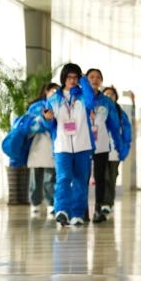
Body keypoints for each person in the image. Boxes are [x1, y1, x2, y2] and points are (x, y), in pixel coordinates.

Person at [46, 63, 95, 227]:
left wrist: (84, 81)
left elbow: (91, 102)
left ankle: (77, 214)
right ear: (63, 78)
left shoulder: (83, 95)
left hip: (83, 145)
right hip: (62, 147)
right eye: (69, 77)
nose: (72, 81)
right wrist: (49, 119)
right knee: (63, 178)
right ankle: (61, 210)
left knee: (81, 180)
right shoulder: (54, 99)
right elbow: (49, 125)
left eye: (76, 77)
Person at [1, 82, 59, 215]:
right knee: (36, 176)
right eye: (53, 91)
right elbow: (30, 125)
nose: (55, 94)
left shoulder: (60, 106)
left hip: (53, 145)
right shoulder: (37, 107)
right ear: (46, 92)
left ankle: (51, 203)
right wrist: (43, 121)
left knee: (50, 176)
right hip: (37, 145)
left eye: (57, 91)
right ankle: (35, 202)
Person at [84, 68, 122, 223]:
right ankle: (83, 210)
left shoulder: (107, 102)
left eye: (98, 77)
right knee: (83, 178)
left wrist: (120, 144)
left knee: (100, 178)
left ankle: (98, 209)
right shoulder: (79, 98)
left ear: (101, 80)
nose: (94, 79)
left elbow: (114, 123)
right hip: (83, 144)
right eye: (91, 77)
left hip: (102, 145)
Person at [102, 86, 132, 212]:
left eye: (112, 95)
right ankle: (103, 202)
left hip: (115, 151)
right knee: (103, 177)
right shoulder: (98, 109)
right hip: (100, 149)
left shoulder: (120, 113)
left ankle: (108, 203)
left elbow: (127, 132)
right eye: (106, 95)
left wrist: (124, 148)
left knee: (112, 176)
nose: (109, 97)